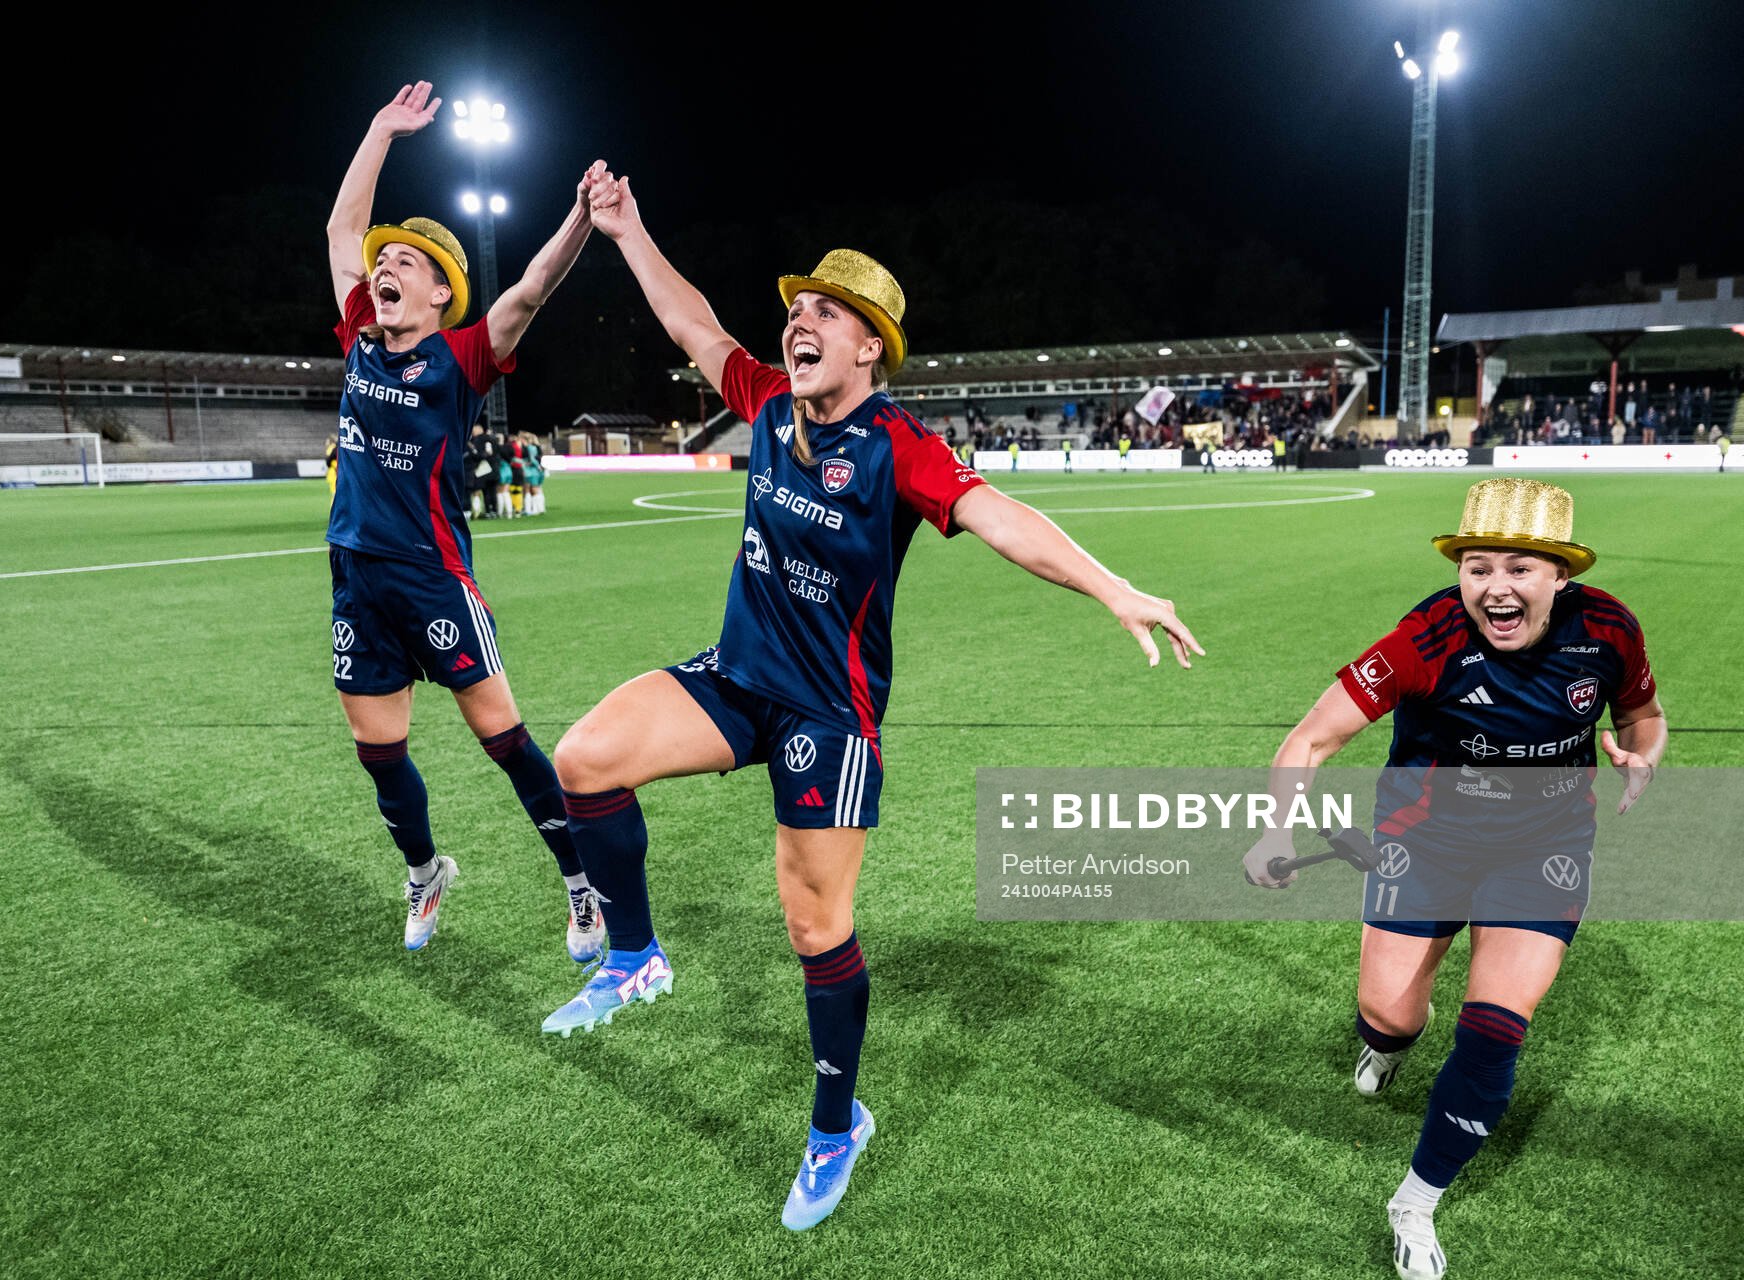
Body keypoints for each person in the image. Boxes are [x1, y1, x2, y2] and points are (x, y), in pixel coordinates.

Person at [542, 170, 1204, 1231]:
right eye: (798, 308)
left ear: (869, 350)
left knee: (814, 926)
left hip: (825, 718)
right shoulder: (762, 396)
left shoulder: (899, 446)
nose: (801, 321)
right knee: (584, 758)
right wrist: (624, 228)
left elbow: (1001, 518)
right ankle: (633, 955)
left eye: (828, 314)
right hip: (735, 677)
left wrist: (1113, 586)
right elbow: (689, 315)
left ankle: (836, 1123)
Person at [1243, 478, 1666, 1280]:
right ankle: (1389, 1041)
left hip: (1546, 846)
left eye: (1519, 568)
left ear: (1560, 577)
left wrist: (1643, 756)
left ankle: (1416, 1201)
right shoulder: (1425, 639)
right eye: (1478, 568)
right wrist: (1276, 827)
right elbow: (1309, 740)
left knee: (1497, 1028)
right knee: (1390, 1015)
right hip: (1424, 841)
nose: (1495, 589)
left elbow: (1642, 715)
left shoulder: (1609, 629)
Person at [324, 80, 608, 958]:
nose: (385, 268)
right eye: (385, 263)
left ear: (444, 293)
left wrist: (580, 222)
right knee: (380, 757)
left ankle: (581, 884)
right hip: (355, 575)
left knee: (506, 741)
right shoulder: (360, 334)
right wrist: (379, 131)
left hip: (431, 576)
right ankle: (425, 872)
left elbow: (530, 289)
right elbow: (342, 231)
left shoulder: (463, 357)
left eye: (407, 262)